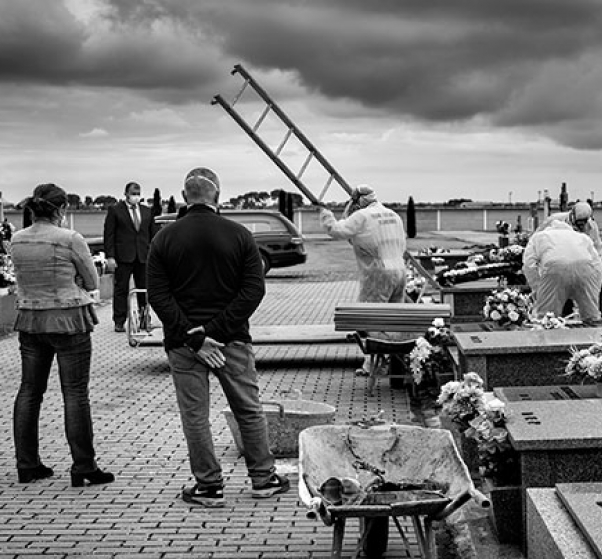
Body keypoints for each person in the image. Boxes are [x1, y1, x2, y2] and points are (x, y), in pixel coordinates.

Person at [147, 167, 289, 507]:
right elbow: (254, 290)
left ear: (184, 198)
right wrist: (217, 330)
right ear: (218, 196)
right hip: (232, 340)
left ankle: (209, 487)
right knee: (249, 409)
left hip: (184, 344)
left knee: (195, 416)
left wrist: (195, 337)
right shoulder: (239, 235)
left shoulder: (164, 238)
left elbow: (158, 295)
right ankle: (263, 479)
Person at [11, 183, 114, 487]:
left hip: (30, 319)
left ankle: (27, 464)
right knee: (75, 392)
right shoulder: (70, 238)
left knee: (29, 391)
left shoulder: (17, 240)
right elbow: (91, 279)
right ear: (61, 210)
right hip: (69, 318)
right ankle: (83, 466)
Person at [317, 185, 407, 375]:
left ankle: (374, 365)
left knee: (371, 320)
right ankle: (389, 362)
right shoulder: (393, 215)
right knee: (392, 319)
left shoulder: (363, 216)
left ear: (358, 202)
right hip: (399, 270)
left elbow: (336, 230)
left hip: (378, 274)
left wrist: (325, 213)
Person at [522, 218, 602, 324]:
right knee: (591, 316)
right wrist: (595, 288)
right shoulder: (582, 237)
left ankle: (547, 337)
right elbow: (598, 266)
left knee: (547, 318)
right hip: (585, 268)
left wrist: (538, 287)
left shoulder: (539, 237)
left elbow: (529, 265)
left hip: (555, 269)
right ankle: (595, 336)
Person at [103, 181, 155, 332]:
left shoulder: (147, 211)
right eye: (133, 193)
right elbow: (109, 235)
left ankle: (144, 319)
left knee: (143, 289)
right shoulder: (115, 211)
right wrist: (110, 256)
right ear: (125, 194)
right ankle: (119, 321)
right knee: (121, 289)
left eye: (138, 194)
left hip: (143, 257)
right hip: (123, 257)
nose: (136, 197)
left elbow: (153, 234)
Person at [537, 201, 602, 270]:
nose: (581, 225)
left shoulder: (591, 226)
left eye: (583, 222)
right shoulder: (555, 220)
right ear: (572, 214)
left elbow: (599, 247)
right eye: (578, 222)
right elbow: (536, 238)